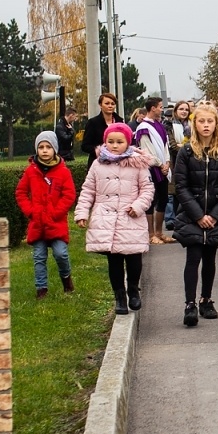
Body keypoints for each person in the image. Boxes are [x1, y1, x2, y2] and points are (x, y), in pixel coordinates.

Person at [74, 123, 153, 314]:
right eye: (110, 141)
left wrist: (138, 206)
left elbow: (147, 189)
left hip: (130, 217)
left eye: (119, 142)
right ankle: (119, 296)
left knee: (134, 258)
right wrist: (82, 212)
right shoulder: (98, 164)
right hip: (107, 218)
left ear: (128, 142)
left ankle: (133, 289)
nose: (115, 145)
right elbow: (88, 190)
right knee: (114, 260)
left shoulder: (138, 163)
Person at [172, 102, 218, 327]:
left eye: (210, 121)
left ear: (217, 124)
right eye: (202, 121)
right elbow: (180, 186)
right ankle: (189, 304)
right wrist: (199, 215)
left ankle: (206, 299)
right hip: (193, 214)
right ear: (195, 124)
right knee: (193, 257)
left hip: (217, 213)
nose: (206, 125)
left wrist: (216, 215)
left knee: (210, 258)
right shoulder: (186, 152)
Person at [15, 131, 77, 298]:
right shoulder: (31, 171)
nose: (44, 150)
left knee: (61, 253)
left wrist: (57, 212)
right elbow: (21, 192)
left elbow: (69, 194)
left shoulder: (63, 172)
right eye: (41, 147)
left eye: (48, 147)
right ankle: (41, 289)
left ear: (54, 149)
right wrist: (30, 211)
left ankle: (66, 280)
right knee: (39, 257)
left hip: (56, 222)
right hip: (37, 223)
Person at [134, 96, 175, 244]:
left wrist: (167, 162)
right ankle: (151, 234)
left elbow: (165, 146)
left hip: (163, 167)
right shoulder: (143, 128)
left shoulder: (160, 125)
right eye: (160, 107)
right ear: (153, 108)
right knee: (151, 200)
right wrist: (160, 164)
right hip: (151, 168)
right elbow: (147, 151)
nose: (162, 109)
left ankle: (159, 232)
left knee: (163, 198)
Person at [80, 93, 120, 164]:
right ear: (100, 105)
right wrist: (100, 150)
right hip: (98, 162)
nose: (110, 106)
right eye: (107, 103)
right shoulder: (93, 123)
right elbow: (85, 146)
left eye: (112, 104)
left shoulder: (120, 122)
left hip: (118, 162)